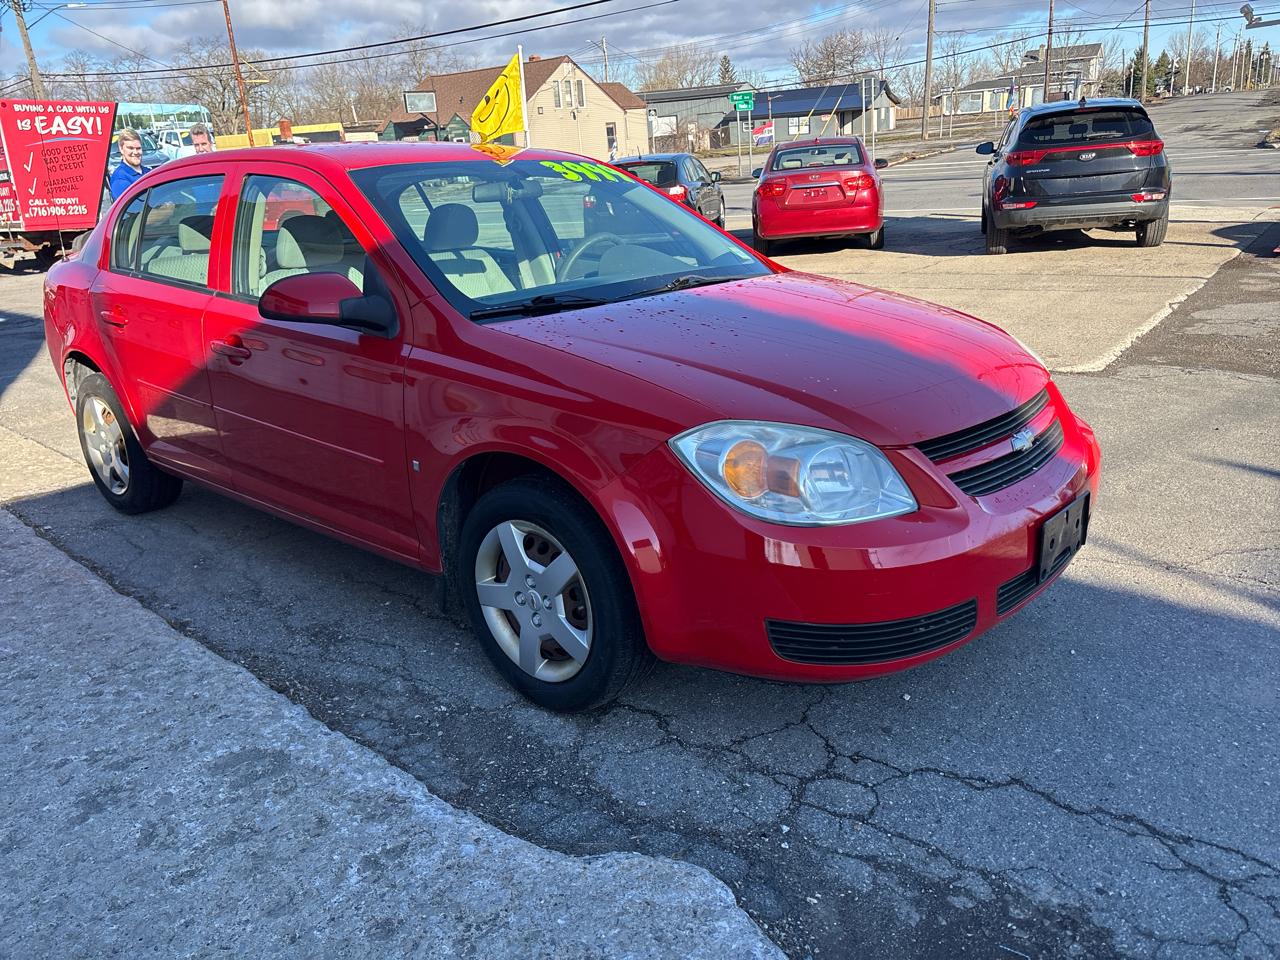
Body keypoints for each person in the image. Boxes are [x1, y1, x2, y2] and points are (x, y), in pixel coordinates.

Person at [109, 128, 149, 199]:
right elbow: (133, 209)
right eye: (131, 148)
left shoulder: (148, 172)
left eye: (138, 148)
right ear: (121, 149)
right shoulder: (120, 179)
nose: (136, 152)